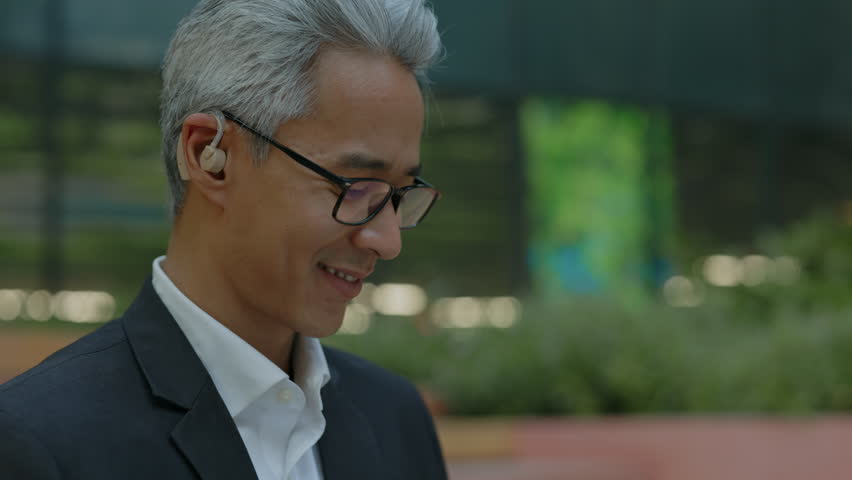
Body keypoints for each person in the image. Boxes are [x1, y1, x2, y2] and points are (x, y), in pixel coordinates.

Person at [0, 0, 447, 478]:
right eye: (355, 187)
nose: (387, 241)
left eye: (400, 195)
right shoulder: (40, 442)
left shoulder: (395, 419)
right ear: (208, 154)